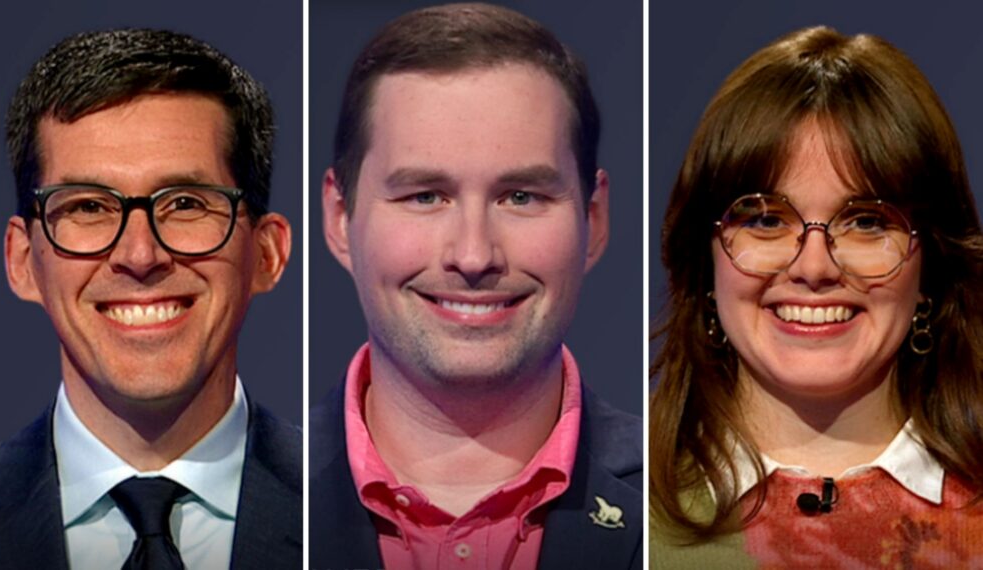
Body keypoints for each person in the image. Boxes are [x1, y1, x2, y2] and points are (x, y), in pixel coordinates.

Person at [310, 4, 643, 569]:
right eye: (424, 196)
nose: (473, 255)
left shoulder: (682, 506)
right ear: (341, 217)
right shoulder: (255, 498)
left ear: (596, 220)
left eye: (521, 196)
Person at [650, 26, 983, 567]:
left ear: (933, 263)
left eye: (868, 222)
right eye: (764, 219)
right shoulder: (624, 512)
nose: (814, 267)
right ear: (703, 259)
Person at [0, 29, 299, 569]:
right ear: (22, 260)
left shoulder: (361, 520)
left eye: (187, 202)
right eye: (88, 207)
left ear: (267, 253)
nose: (140, 254)